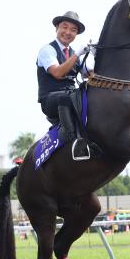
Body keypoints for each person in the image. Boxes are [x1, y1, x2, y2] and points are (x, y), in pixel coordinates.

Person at [36, 11, 91, 160]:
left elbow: (90, 75)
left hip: (70, 96)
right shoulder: (47, 50)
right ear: (57, 28)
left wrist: (99, 55)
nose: (68, 32)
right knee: (68, 98)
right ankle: (71, 137)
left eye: (73, 30)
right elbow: (58, 72)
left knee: (89, 94)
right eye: (64, 27)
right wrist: (77, 55)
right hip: (51, 99)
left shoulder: (74, 54)